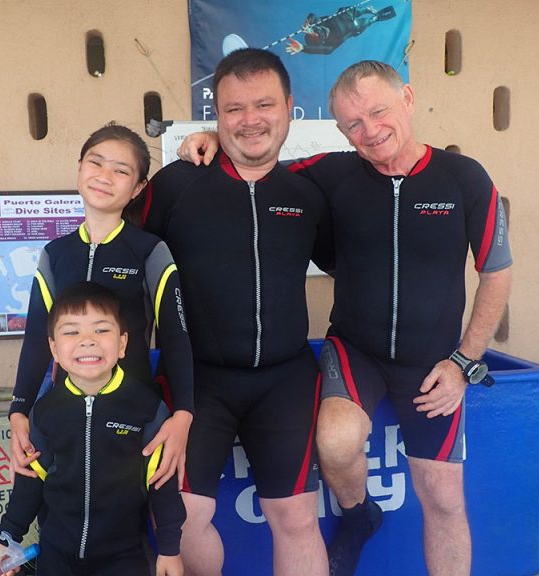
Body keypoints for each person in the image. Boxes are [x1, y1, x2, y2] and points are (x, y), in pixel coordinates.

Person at [177, 60, 513, 576]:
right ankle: (358, 517)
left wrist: (464, 362)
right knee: (334, 442)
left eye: (379, 112)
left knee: (443, 496)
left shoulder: (464, 178)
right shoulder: (331, 175)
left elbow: (496, 272)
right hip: (356, 350)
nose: (370, 131)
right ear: (340, 129)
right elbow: (257, 160)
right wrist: (212, 140)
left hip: (434, 360)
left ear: (407, 98)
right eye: (353, 123)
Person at [141, 48, 334, 576]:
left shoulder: (308, 191)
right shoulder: (177, 184)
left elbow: (356, 264)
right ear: (216, 115)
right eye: (234, 109)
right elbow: (126, 266)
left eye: (264, 105)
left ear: (290, 108)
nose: (250, 120)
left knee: (297, 518)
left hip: (285, 380)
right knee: (181, 519)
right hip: (195, 379)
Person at [9, 123, 194, 492]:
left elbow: (176, 338)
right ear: (79, 168)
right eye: (96, 163)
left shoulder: (149, 251)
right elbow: (36, 338)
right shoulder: (55, 254)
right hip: (64, 410)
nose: (105, 176)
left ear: (138, 187)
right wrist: (19, 410)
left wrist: (183, 415)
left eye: (121, 170)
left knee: (130, 510)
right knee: (57, 504)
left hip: (135, 413)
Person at [0, 282, 186, 576]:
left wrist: (170, 550)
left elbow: (162, 484)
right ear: (54, 349)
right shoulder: (44, 411)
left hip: (123, 556)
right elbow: (29, 483)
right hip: (56, 554)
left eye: (101, 330)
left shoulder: (148, 408)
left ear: (122, 344)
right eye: (71, 332)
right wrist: (6, 539)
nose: (87, 341)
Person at [284, 5, 396, 56]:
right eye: (315, 36)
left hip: (346, 13)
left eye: (313, 33)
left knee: (353, 10)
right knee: (366, 22)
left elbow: (312, 15)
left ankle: (368, 9)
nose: (315, 33)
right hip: (354, 26)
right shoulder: (330, 43)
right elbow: (326, 50)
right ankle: (374, 18)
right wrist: (303, 48)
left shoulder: (319, 23)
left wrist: (309, 22)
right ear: (321, 40)